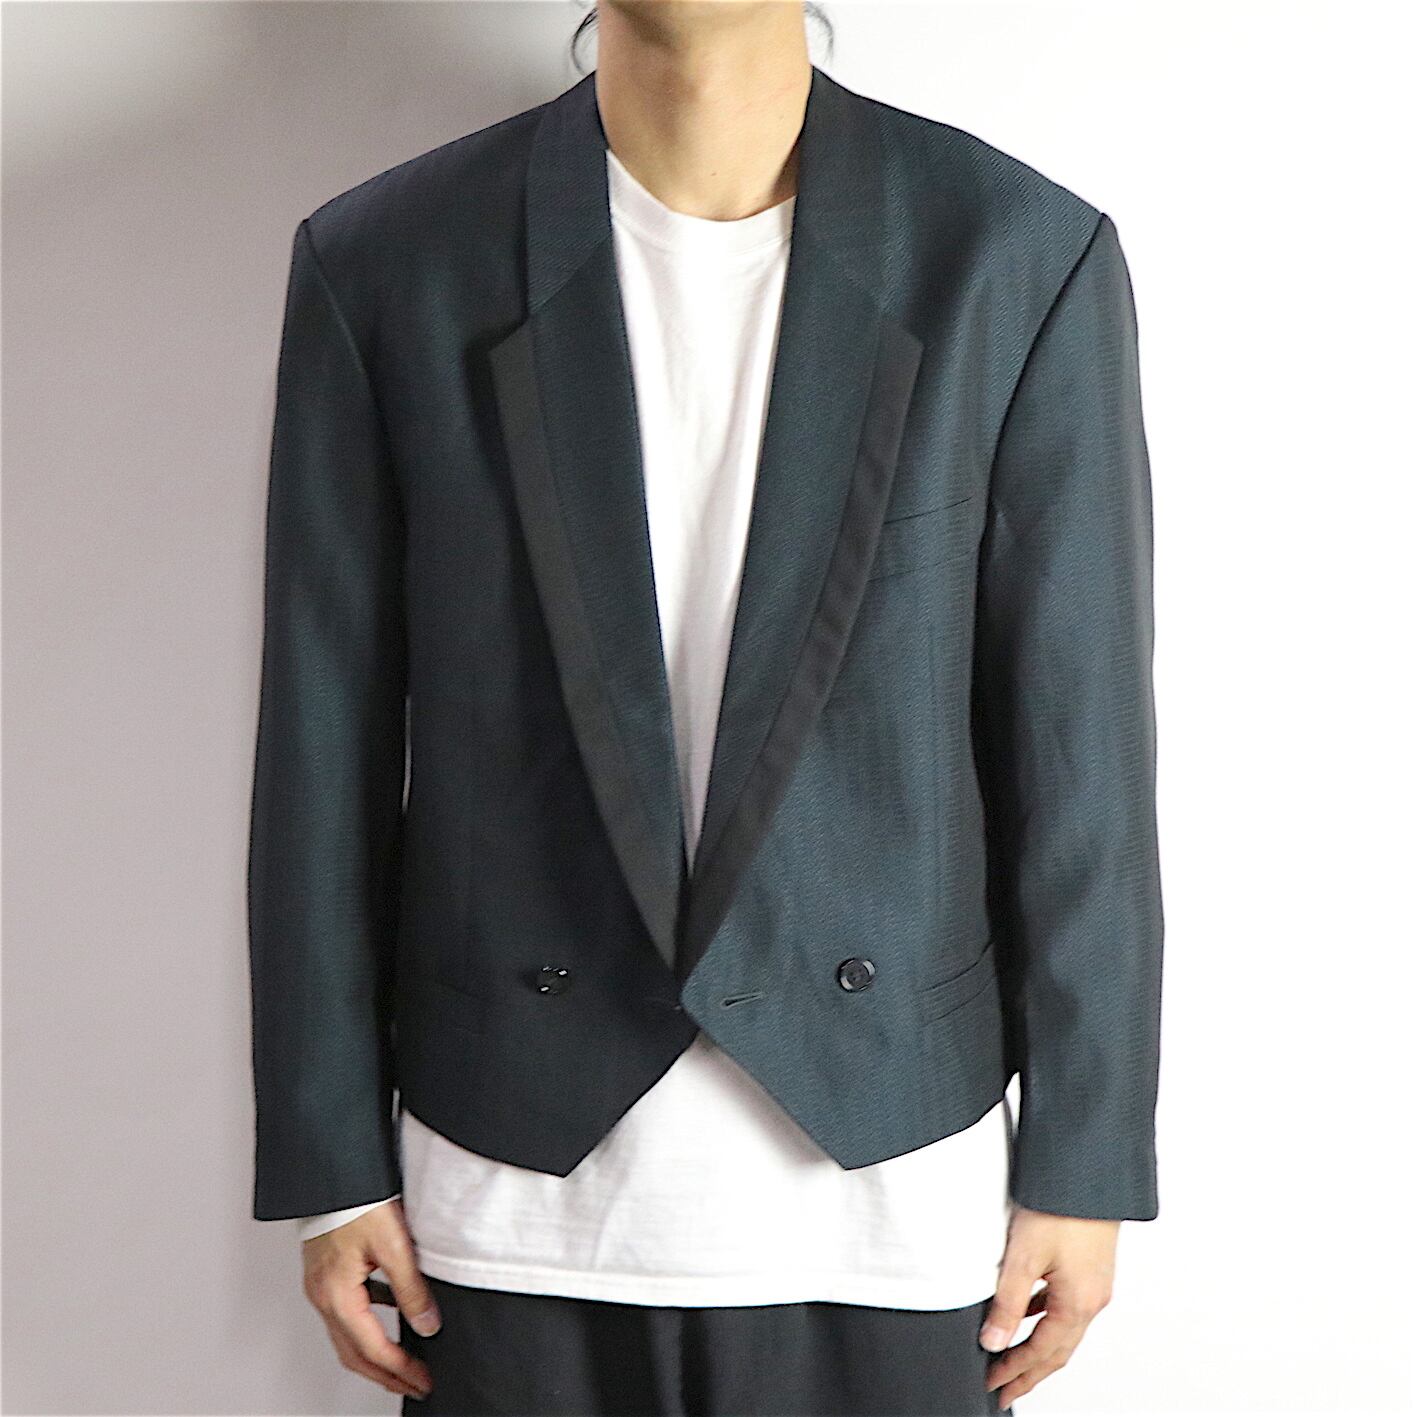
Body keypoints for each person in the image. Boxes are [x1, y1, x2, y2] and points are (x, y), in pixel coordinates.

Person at [246, 3, 1163, 1413]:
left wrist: (1084, 1162)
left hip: (895, 1190)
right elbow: (324, 744)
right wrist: (328, 1168)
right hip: (502, 1186)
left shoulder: (1013, 254)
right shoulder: (390, 261)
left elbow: (1076, 750)